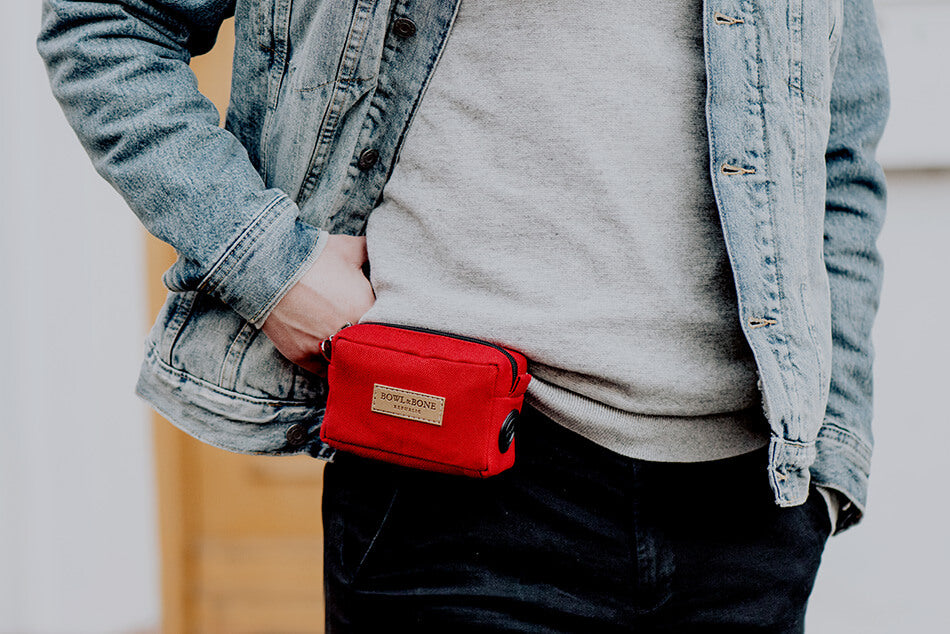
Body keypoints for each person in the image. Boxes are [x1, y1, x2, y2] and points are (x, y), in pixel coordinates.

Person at [39, 0, 888, 631]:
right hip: (460, 501)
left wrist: (829, 462)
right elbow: (106, 22)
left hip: (746, 516)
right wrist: (273, 271)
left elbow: (837, 146)